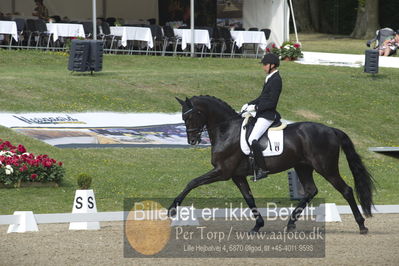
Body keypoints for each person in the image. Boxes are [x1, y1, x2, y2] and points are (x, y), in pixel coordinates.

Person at [241, 53, 282, 181]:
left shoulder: (276, 80)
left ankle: (262, 169)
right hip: (261, 113)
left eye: (265, 64)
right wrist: (249, 103)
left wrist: (256, 108)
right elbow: (262, 97)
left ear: (272, 65)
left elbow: (271, 102)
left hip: (267, 115)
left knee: (253, 138)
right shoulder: (270, 77)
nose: (263, 67)